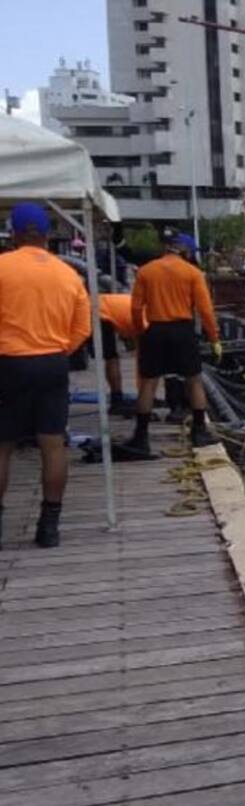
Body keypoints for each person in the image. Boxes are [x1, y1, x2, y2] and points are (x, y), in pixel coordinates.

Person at [0, 203, 91, 549]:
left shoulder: (2, 267)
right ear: (47, 235)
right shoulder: (68, 274)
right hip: (53, 362)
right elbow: (82, 327)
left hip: (8, 361)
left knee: (3, 445)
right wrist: (59, 350)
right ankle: (49, 526)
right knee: (53, 445)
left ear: (14, 233)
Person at [123, 233, 222, 452]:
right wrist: (214, 338)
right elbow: (205, 310)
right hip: (182, 330)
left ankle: (141, 436)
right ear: (185, 251)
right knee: (193, 381)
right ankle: (199, 431)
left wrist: (140, 331)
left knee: (149, 383)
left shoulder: (146, 271)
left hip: (155, 329)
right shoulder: (193, 273)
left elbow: (136, 308)